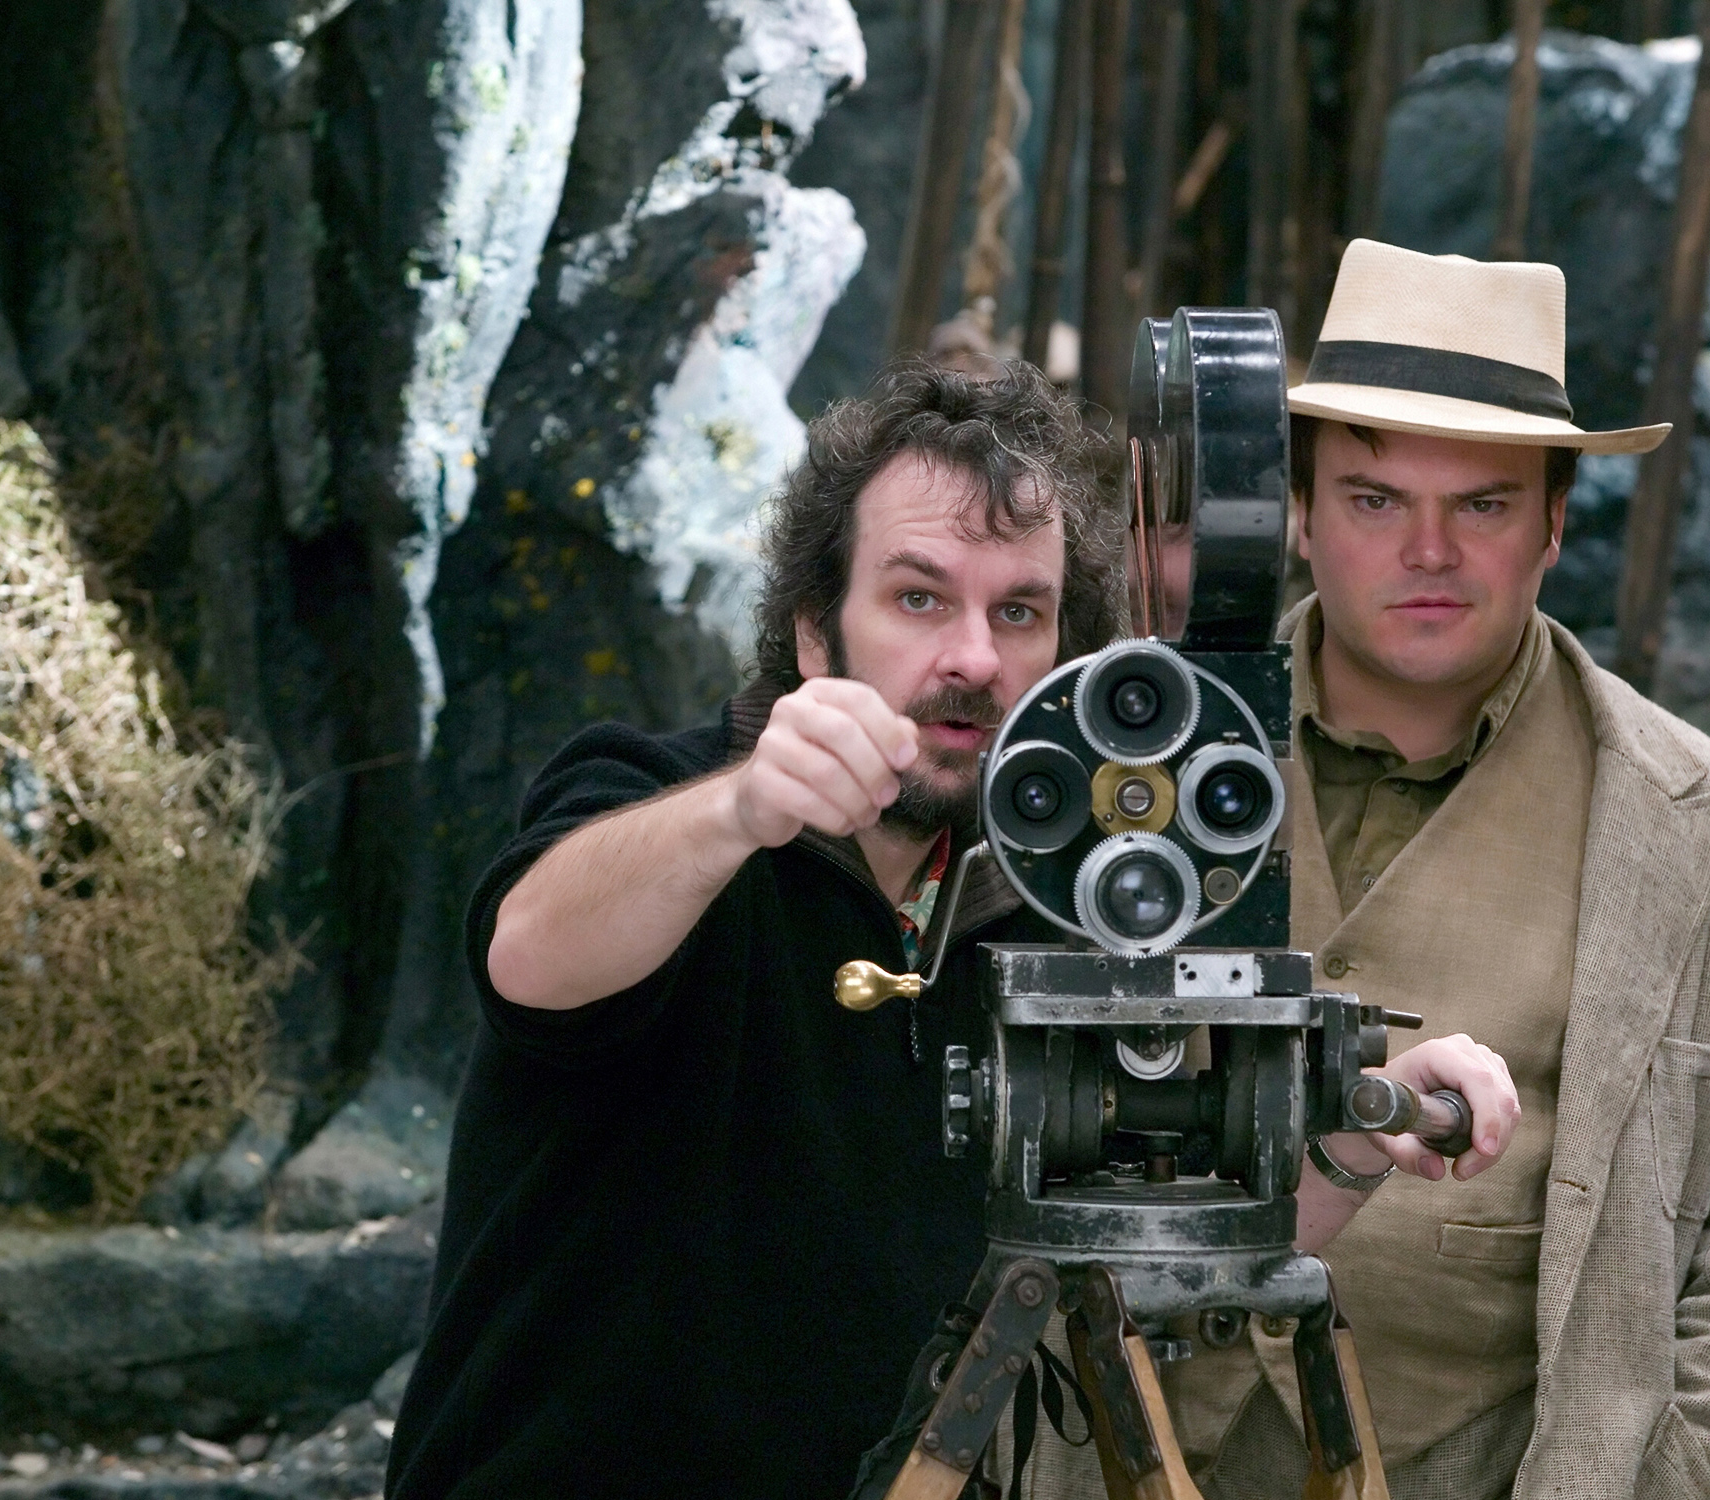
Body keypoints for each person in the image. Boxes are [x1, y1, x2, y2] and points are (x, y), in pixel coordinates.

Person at [383, 360, 1523, 1500]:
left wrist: (1362, 1130)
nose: (975, 659)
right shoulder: (655, 798)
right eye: (920, 598)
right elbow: (529, 954)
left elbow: (1160, 1250)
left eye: (1018, 612)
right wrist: (737, 810)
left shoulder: (1061, 911)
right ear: (816, 635)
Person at [1131, 241, 1710, 1500]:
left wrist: (1665, 1478)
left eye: (1482, 504)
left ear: (1555, 525)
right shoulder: (1130, 752)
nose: (1429, 550)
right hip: (1122, 1449)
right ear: (1300, 514)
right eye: (1374, 499)